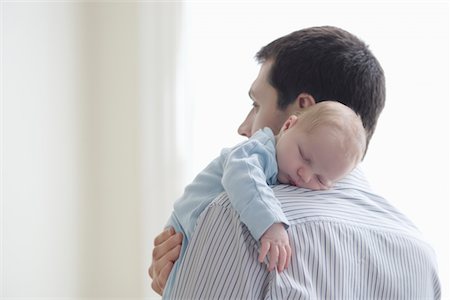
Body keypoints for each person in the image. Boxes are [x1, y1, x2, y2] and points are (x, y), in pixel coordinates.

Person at [150, 26, 441, 299]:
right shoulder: (419, 251)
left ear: (302, 110)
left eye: (256, 104)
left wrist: (184, 282)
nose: (243, 127)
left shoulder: (240, 215)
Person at [164, 101, 366, 298]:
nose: (305, 175)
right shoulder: (258, 150)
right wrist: (270, 224)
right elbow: (242, 176)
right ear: (288, 126)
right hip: (183, 227)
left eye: (320, 179)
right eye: (304, 156)